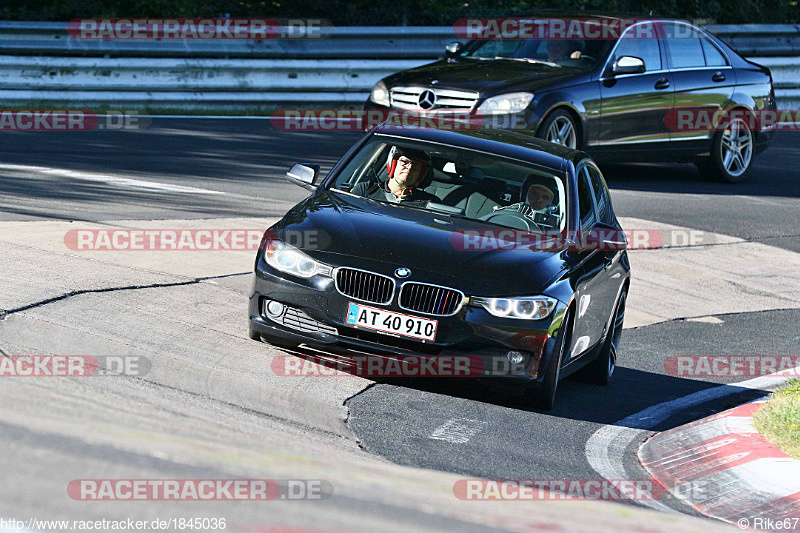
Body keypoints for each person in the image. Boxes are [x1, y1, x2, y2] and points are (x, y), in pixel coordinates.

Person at [351, 146, 438, 204]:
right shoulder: (365, 190)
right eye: (404, 161)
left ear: (421, 174)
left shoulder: (429, 203)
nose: (409, 167)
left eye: (416, 165)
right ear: (393, 164)